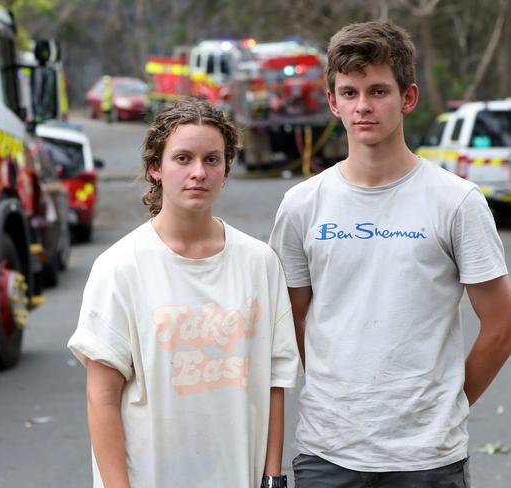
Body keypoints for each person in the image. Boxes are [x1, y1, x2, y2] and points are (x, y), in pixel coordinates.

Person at [269, 20, 511, 487]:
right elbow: (290, 322)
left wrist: (446, 404)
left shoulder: (455, 201)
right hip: (328, 453)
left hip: (429, 459)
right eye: (350, 92)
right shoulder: (301, 205)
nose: (364, 106)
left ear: (408, 98)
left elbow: (501, 327)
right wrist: (340, 391)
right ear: (332, 102)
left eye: (378, 91)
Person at [68, 96, 299, 488]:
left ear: (226, 170)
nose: (199, 172)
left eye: (212, 159)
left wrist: (273, 475)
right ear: (155, 168)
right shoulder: (120, 267)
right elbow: (102, 400)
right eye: (183, 159)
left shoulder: (260, 263)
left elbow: (274, 380)